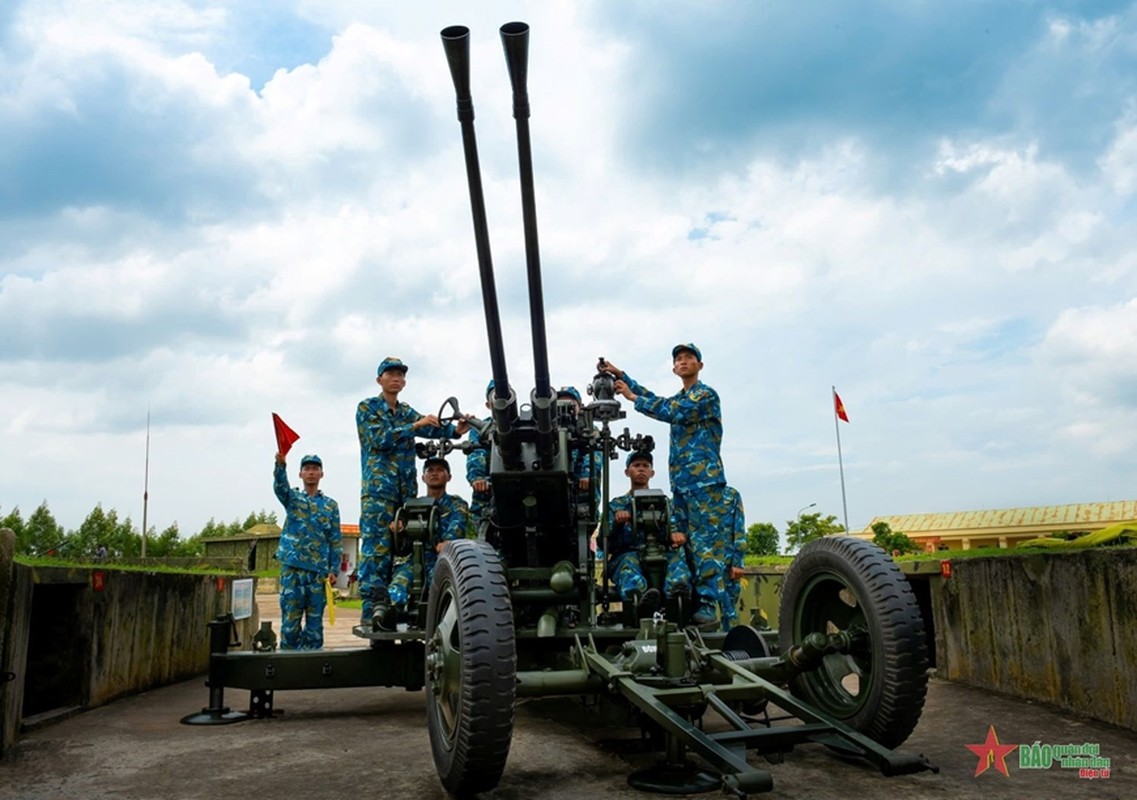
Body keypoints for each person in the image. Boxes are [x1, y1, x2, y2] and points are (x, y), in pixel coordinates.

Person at [601, 344, 727, 627]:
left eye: (689, 358)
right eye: (678, 360)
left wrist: (632, 397)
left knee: (706, 546)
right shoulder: (681, 397)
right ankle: (684, 602)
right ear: (674, 368)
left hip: (705, 481)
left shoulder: (704, 395)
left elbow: (671, 410)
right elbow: (658, 400)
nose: (683, 362)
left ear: (699, 365)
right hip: (682, 485)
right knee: (684, 544)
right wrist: (623, 376)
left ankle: (705, 605)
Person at [356, 357, 469, 627]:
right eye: (390, 374)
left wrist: (455, 430)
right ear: (379, 380)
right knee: (376, 556)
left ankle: (395, 610)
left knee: (406, 553)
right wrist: (414, 428)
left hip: (405, 498)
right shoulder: (368, 408)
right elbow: (379, 438)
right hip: (378, 495)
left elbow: (429, 424)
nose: (396, 378)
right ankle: (373, 615)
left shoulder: (406, 411)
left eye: (400, 375)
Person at [377, 457, 471, 629]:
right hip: (415, 562)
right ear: (423, 478)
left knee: (447, 591)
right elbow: (403, 549)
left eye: (440, 470)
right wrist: (399, 530)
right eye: (430, 470)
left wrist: (446, 543)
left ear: (449, 477)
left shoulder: (457, 504)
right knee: (397, 586)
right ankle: (387, 621)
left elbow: (456, 529)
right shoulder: (412, 506)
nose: (434, 473)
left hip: (443, 562)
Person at [604, 451, 690, 616]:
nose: (641, 469)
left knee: (678, 567)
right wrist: (617, 524)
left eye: (645, 466)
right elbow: (605, 543)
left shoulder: (666, 504)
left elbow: (677, 530)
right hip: (628, 554)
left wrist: (677, 536)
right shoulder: (617, 505)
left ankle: (677, 604)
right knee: (629, 568)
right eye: (636, 466)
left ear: (652, 473)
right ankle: (641, 603)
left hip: (661, 551)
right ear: (627, 472)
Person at [273, 452, 342, 650]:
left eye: (315, 469)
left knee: (314, 626)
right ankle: (287, 667)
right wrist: (280, 466)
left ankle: (312, 668)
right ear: (300, 474)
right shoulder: (293, 499)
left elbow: (335, 539)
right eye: (307, 469)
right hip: (293, 569)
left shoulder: (330, 505)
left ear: (322, 474)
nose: (311, 473)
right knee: (290, 623)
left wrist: (333, 569)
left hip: (318, 573)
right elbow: (280, 488)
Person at [465, 380, 496, 530]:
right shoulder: (480, 429)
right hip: (490, 490)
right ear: (488, 405)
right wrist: (477, 478)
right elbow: (475, 453)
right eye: (495, 397)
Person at [720, 485, 745, 631]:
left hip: (727, 563)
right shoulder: (692, 492)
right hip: (701, 564)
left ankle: (731, 648)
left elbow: (739, 528)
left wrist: (738, 562)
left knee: (729, 611)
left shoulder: (731, 495)